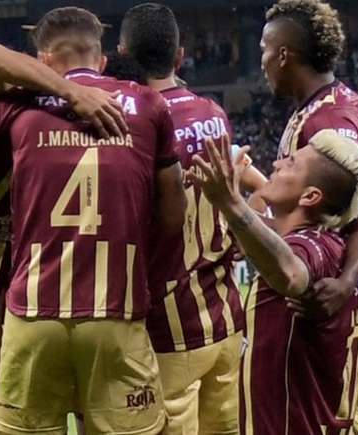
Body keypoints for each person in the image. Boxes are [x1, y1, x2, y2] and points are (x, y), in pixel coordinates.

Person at [0, 6, 186, 435]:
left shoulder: (15, 106)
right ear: (100, 58)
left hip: (33, 313)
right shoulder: (149, 105)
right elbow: (173, 217)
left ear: (41, 61)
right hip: (114, 312)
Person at [187, 126, 358, 434]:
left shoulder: (309, 249)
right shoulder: (343, 255)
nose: (276, 165)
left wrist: (231, 205)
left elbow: (291, 273)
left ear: (311, 196)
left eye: (291, 164)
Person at [118, 4, 266, 433]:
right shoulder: (212, 115)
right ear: (180, 57)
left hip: (167, 326)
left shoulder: (134, 123)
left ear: (123, 53)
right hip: (222, 315)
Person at [259, 2, 358, 432]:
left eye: (265, 47)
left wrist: (343, 283)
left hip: (335, 315)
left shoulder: (332, 119)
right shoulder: (316, 108)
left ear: (285, 54)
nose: (260, 59)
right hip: (315, 305)